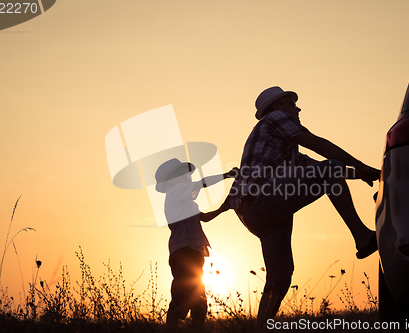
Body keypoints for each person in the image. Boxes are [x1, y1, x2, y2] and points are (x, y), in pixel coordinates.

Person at [227, 86, 381, 332]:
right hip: (262, 199)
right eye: (292, 104)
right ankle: (362, 237)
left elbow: (321, 169)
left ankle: (261, 328)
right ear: (278, 107)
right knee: (330, 169)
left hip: (254, 211)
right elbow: (321, 149)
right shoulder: (276, 119)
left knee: (281, 274)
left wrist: (362, 173)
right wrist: (361, 165)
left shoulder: (285, 148)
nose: (297, 108)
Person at [155, 158, 237, 332]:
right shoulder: (175, 192)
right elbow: (202, 183)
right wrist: (227, 175)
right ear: (174, 178)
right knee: (184, 294)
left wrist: (223, 208)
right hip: (184, 251)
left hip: (190, 251)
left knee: (197, 295)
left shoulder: (183, 200)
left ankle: (195, 327)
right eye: (183, 174)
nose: (187, 177)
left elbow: (204, 218)